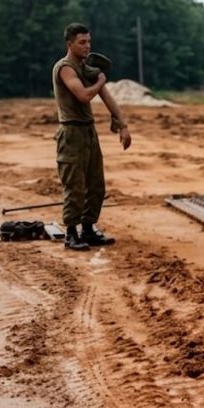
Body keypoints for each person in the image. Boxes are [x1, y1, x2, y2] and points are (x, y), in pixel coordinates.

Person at [52, 23, 132, 251]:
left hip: (88, 131)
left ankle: (88, 228)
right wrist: (100, 81)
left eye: (89, 41)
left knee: (96, 184)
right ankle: (71, 234)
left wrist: (123, 125)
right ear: (70, 44)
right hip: (71, 133)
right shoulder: (65, 68)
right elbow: (84, 95)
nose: (87, 46)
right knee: (75, 186)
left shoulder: (86, 68)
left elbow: (107, 98)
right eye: (82, 42)